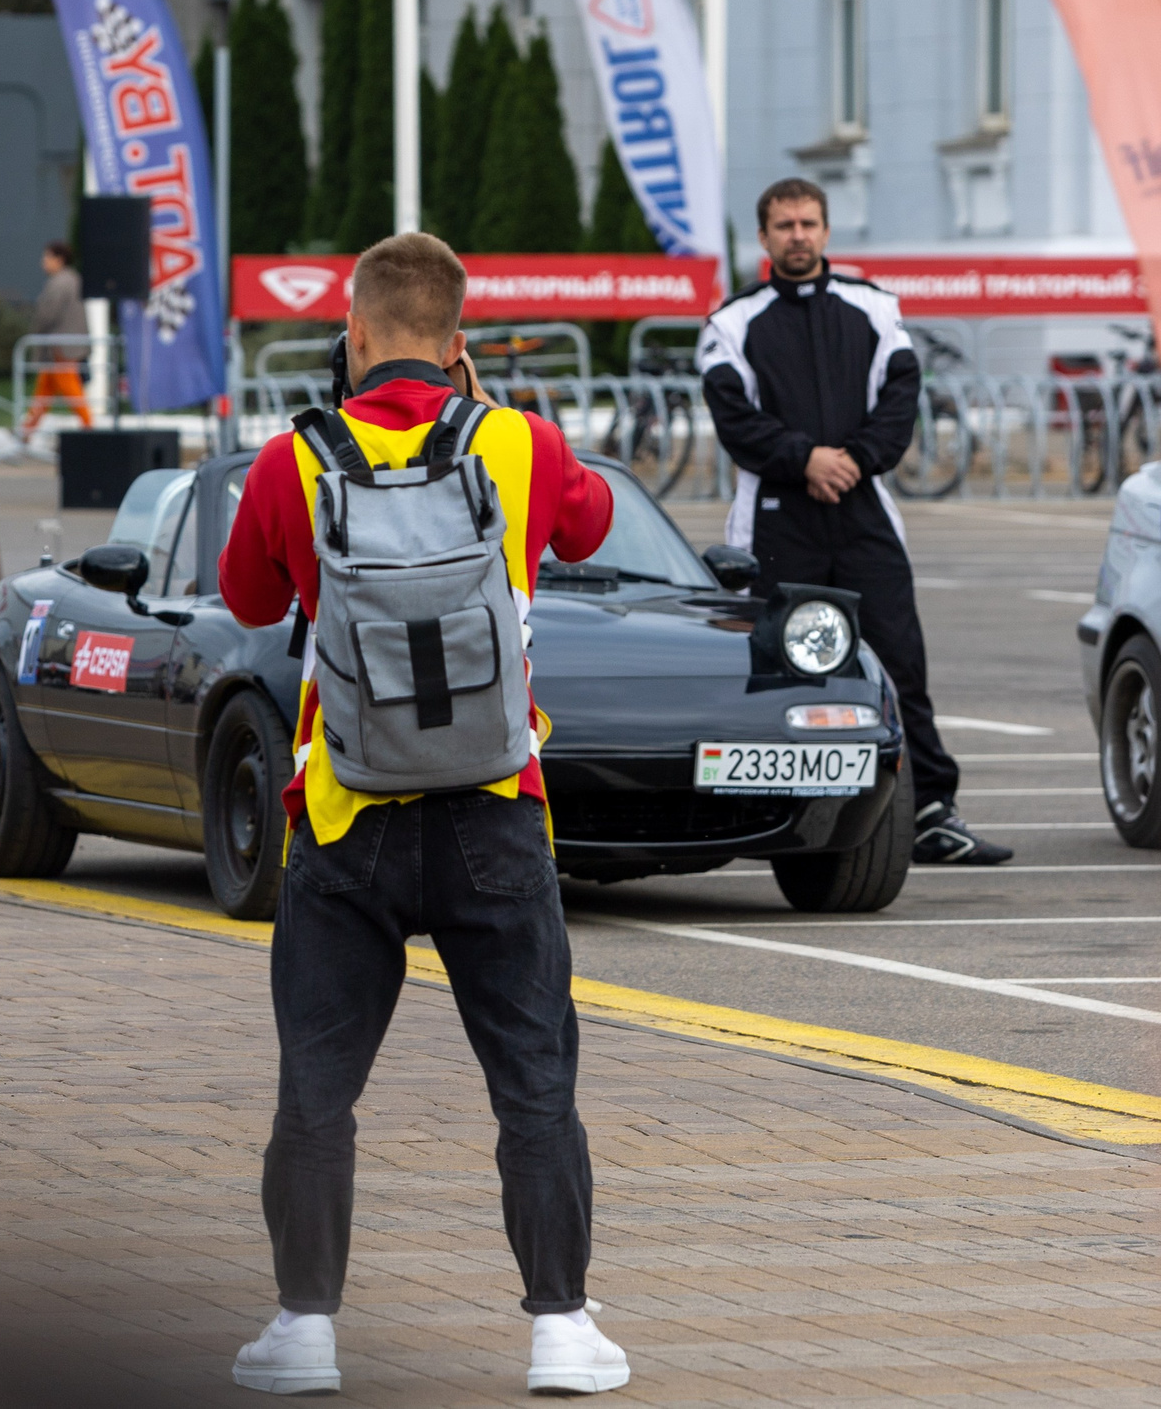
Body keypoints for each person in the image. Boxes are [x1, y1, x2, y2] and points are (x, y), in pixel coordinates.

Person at [217, 233, 627, 1398]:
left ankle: (304, 1330)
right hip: (494, 811)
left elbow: (249, 599)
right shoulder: (517, 443)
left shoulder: (291, 459)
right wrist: (497, 421)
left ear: (350, 338)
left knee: (318, 1087)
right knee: (533, 1081)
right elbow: (587, 528)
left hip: (344, 815)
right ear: (459, 346)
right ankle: (559, 1330)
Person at [699, 178, 1003, 865]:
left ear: (827, 231)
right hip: (776, 518)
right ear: (765, 238)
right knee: (781, 671)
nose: (798, 235)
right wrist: (804, 457)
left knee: (900, 664)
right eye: (784, 225)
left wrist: (852, 461)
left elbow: (901, 398)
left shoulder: (873, 306)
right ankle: (773, 819)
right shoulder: (731, 323)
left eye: (809, 222)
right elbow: (734, 419)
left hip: (863, 507)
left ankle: (930, 813)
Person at [22, 240, 93, 435]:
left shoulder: (60, 282)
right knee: (45, 389)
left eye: (47, 257)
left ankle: (89, 427)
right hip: (66, 344)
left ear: (59, 259)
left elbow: (47, 314)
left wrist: (35, 330)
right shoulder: (73, 279)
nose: (43, 261)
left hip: (61, 345)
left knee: (70, 388)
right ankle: (27, 430)